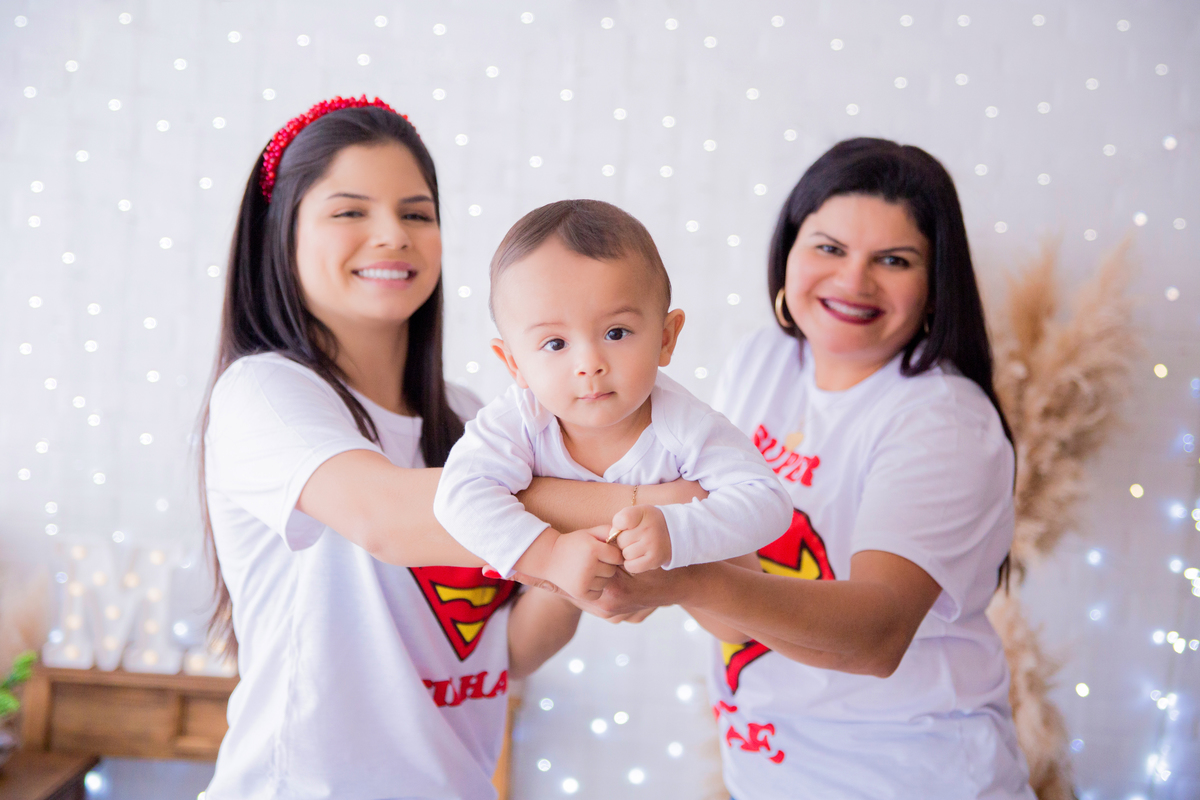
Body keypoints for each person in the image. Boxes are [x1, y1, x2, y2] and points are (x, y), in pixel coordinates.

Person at [198, 97, 700, 800]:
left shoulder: (478, 418)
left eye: (416, 213)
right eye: (350, 212)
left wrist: (597, 553)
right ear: (280, 236)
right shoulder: (265, 394)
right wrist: (646, 502)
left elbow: (511, 651)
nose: (392, 236)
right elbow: (385, 517)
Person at [568, 138, 1036, 798]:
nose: (853, 281)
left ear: (935, 287)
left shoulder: (943, 420)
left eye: (894, 260)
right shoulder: (762, 362)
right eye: (828, 247)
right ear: (788, 251)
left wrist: (681, 576)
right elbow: (724, 579)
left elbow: (876, 636)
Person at [433, 200, 793, 595]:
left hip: (682, 584)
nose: (589, 364)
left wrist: (676, 531)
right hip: (562, 583)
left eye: (616, 333)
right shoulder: (519, 418)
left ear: (665, 338)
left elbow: (769, 503)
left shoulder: (685, 424)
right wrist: (550, 556)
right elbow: (458, 495)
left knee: (734, 619)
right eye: (555, 343)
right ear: (513, 363)